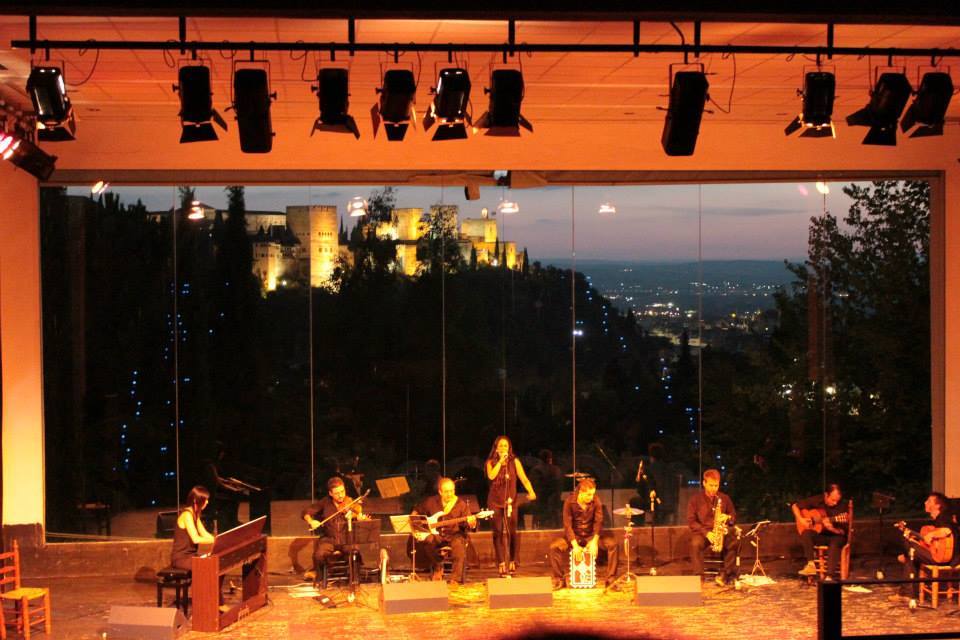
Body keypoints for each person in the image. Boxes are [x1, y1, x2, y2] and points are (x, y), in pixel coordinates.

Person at [549, 478, 619, 589]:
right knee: (554, 547)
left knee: (613, 544)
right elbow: (567, 525)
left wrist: (594, 542)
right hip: (574, 536)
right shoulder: (569, 502)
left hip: (591, 536)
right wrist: (575, 545)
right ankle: (559, 580)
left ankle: (610, 580)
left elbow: (599, 522)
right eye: (588, 495)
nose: (591, 497)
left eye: (593, 494)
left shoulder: (596, 501)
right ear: (581, 493)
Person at [485, 436, 537, 576]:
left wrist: (531, 491)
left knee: (511, 532)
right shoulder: (490, 462)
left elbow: (524, 479)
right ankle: (501, 562)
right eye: (500, 446)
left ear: (509, 448)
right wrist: (500, 462)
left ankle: (512, 560)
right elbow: (491, 476)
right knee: (497, 532)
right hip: (495, 502)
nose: (503, 448)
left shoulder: (515, 462)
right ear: (496, 448)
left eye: (505, 446)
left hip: (510, 502)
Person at [893, 492, 960, 601]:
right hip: (944, 556)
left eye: (928, 501)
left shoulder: (944, 517)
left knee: (908, 546)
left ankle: (907, 593)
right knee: (911, 551)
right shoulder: (938, 520)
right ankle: (907, 592)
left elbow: (947, 531)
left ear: (937, 506)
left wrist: (931, 534)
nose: (925, 502)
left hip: (947, 558)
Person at [411, 477, 478, 585]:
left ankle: (455, 579)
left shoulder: (460, 505)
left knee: (459, 546)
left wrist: (472, 523)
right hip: (436, 535)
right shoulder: (431, 501)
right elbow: (416, 511)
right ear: (440, 492)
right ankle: (438, 565)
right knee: (427, 540)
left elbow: (468, 525)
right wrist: (417, 527)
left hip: (454, 535)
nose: (450, 494)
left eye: (452, 491)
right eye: (446, 491)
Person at [301, 476, 369, 581]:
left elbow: (358, 515)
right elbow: (306, 512)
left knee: (355, 551)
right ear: (330, 493)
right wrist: (311, 521)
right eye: (337, 493)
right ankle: (320, 579)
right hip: (329, 539)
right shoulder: (325, 503)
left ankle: (355, 580)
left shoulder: (350, 502)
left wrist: (359, 518)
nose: (341, 495)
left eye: (342, 491)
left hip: (346, 539)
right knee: (318, 555)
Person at [687, 468, 738, 586]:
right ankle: (699, 577)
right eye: (711, 485)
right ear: (704, 483)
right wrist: (706, 533)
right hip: (703, 532)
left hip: (721, 531)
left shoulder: (724, 498)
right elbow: (691, 521)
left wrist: (727, 517)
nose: (714, 489)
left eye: (716, 485)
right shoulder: (695, 500)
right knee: (695, 544)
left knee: (734, 543)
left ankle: (725, 574)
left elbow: (733, 515)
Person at [792, 483, 847, 579]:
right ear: (826, 495)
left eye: (837, 501)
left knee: (836, 542)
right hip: (821, 534)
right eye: (833, 500)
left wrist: (832, 528)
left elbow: (843, 532)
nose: (835, 503)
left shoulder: (842, 507)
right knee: (806, 533)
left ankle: (829, 576)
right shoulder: (818, 500)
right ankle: (811, 565)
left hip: (835, 536)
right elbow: (795, 506)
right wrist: (801, 519)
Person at [171, 485, 215, 570]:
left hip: (191, 556)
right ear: (196, 500)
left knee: (216, 562)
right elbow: (196, 539)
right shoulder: (187, 514)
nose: (207, 502)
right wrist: (215, 540)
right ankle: (202, 583)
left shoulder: (195, 514)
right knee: (209, 565)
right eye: (205, 500)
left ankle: (208, 583)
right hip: (181, 558)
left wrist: (217, 540)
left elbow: (204, 533)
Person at [530, 449, 564, 528]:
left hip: (539, 504)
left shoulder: (536, 470)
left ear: (540, 459)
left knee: (520, 509)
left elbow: (534, 487)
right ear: (550, 459)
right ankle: (558, 526)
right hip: (555, 504)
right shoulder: (557, 470)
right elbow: (560, 487)